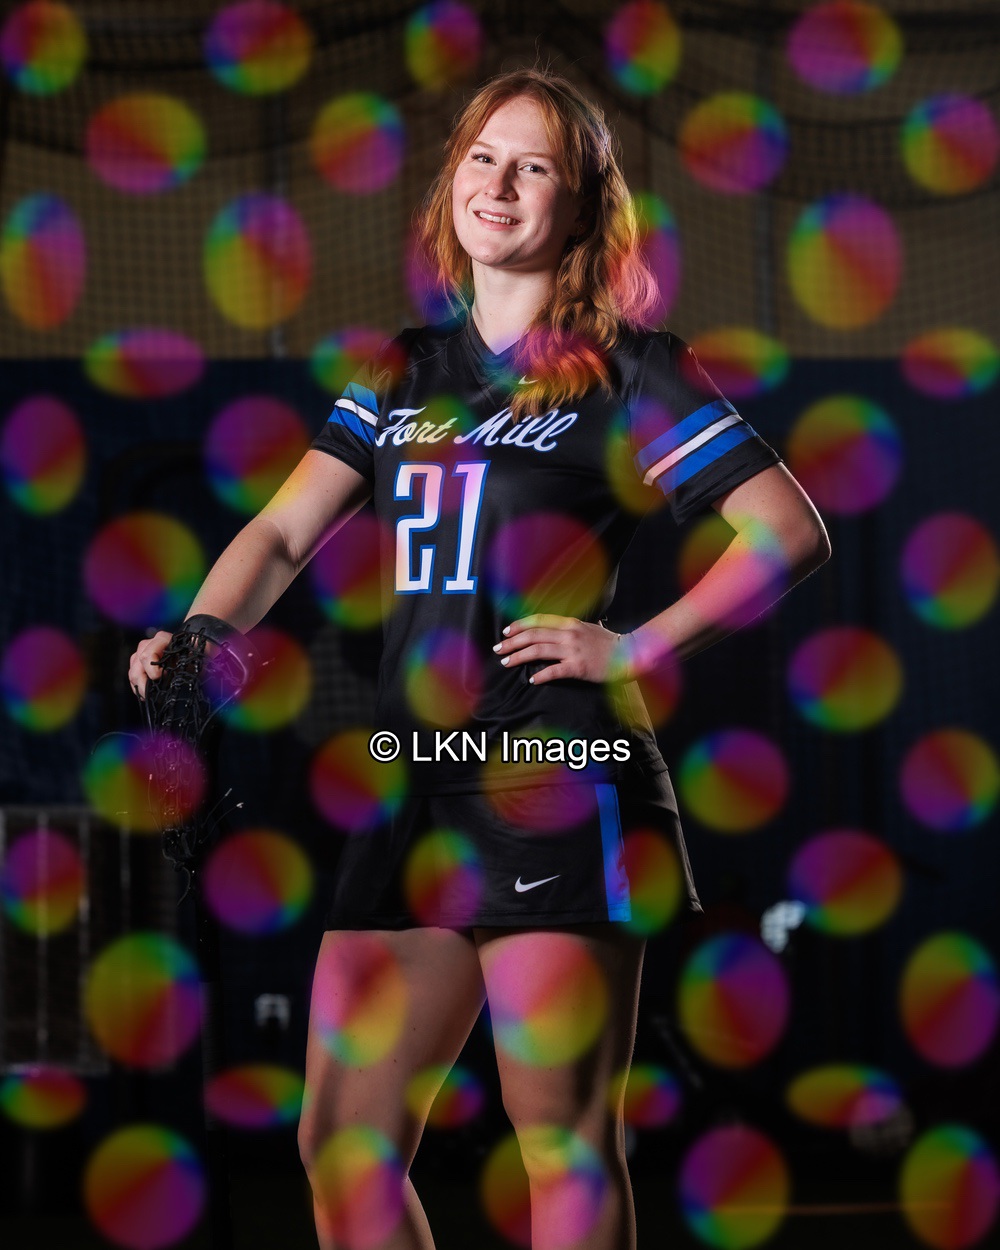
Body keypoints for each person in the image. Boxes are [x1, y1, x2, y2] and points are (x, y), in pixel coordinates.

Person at [130, 68, 829, 1250]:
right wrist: (199, 635)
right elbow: (284, 532)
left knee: (559, 1141)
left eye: (534, 164)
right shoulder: (404, 368)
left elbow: (787, 529)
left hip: (555, 769)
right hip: (414, 773)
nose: (498, 183)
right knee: (341, 1143)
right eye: (482, 157)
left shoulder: (633, 369)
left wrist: (637, 643)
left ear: (581, 202)